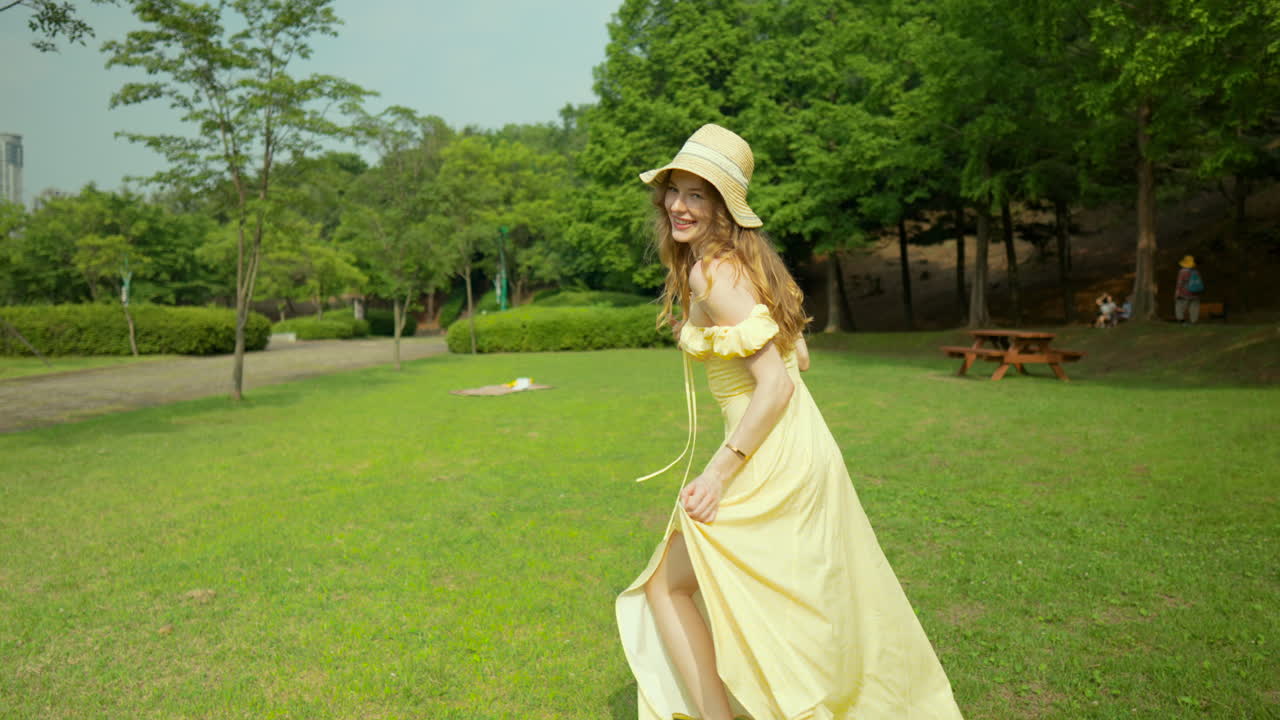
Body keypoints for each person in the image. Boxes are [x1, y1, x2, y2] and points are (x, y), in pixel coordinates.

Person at [615, 124, 964, 720]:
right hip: (801, 444)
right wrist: (707, 336)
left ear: (724, 206)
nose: (678, 204)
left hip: (765, 450)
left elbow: (775, 382)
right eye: (675, 190)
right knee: (794, 600)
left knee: (666, 588)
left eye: (698, 194)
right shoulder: (746, 265)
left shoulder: (712, 273)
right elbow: (796, 357)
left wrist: (720, 473)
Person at [1174, 255, 1203, 324]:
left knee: (1179, 306)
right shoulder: (1196, 272)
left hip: (1184, 293)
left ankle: (1181, 320)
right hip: (1195, 293)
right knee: (1194, 307)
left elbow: (1180, 283)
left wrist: (1177, 292)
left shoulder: (1182, 272)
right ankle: (1194, 321)